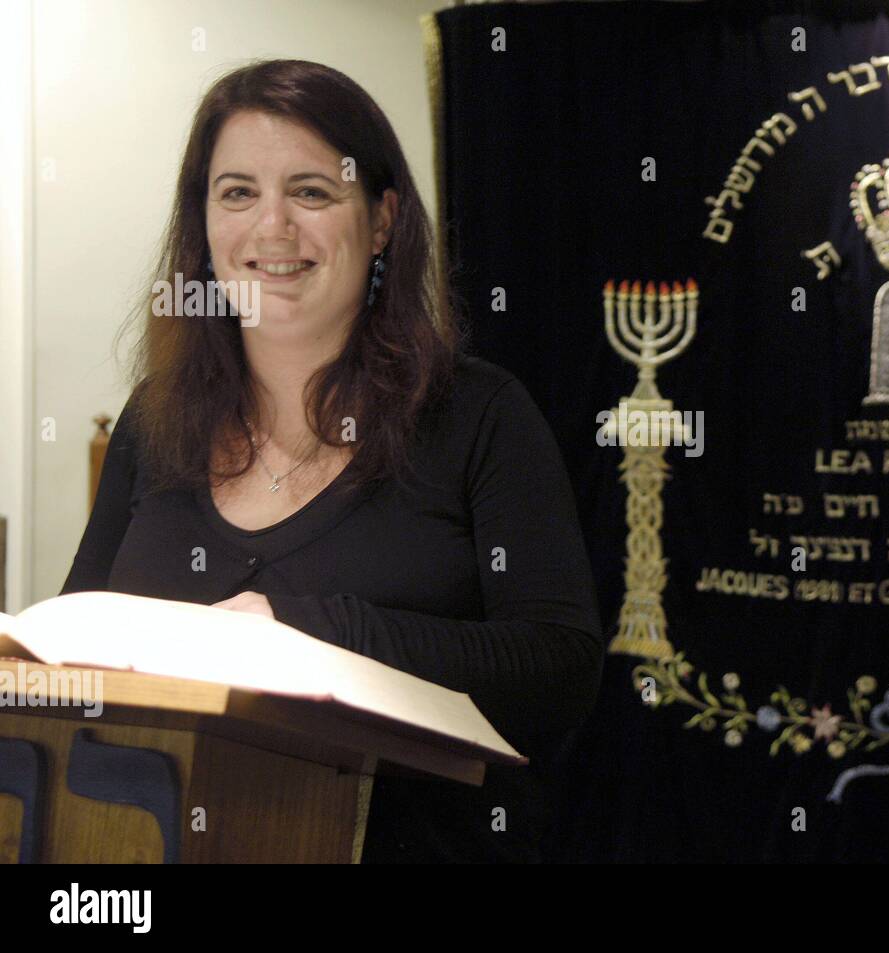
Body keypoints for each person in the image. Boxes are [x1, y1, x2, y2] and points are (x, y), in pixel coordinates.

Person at [60, 59, 603, 863]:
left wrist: (307, 632)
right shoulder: (154, 417)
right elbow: (79, 649)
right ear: (203, 224)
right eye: (237, 192)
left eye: (311, 192)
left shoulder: (479, 416)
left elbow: (558, 671)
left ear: (382, 220)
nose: (271, 229)